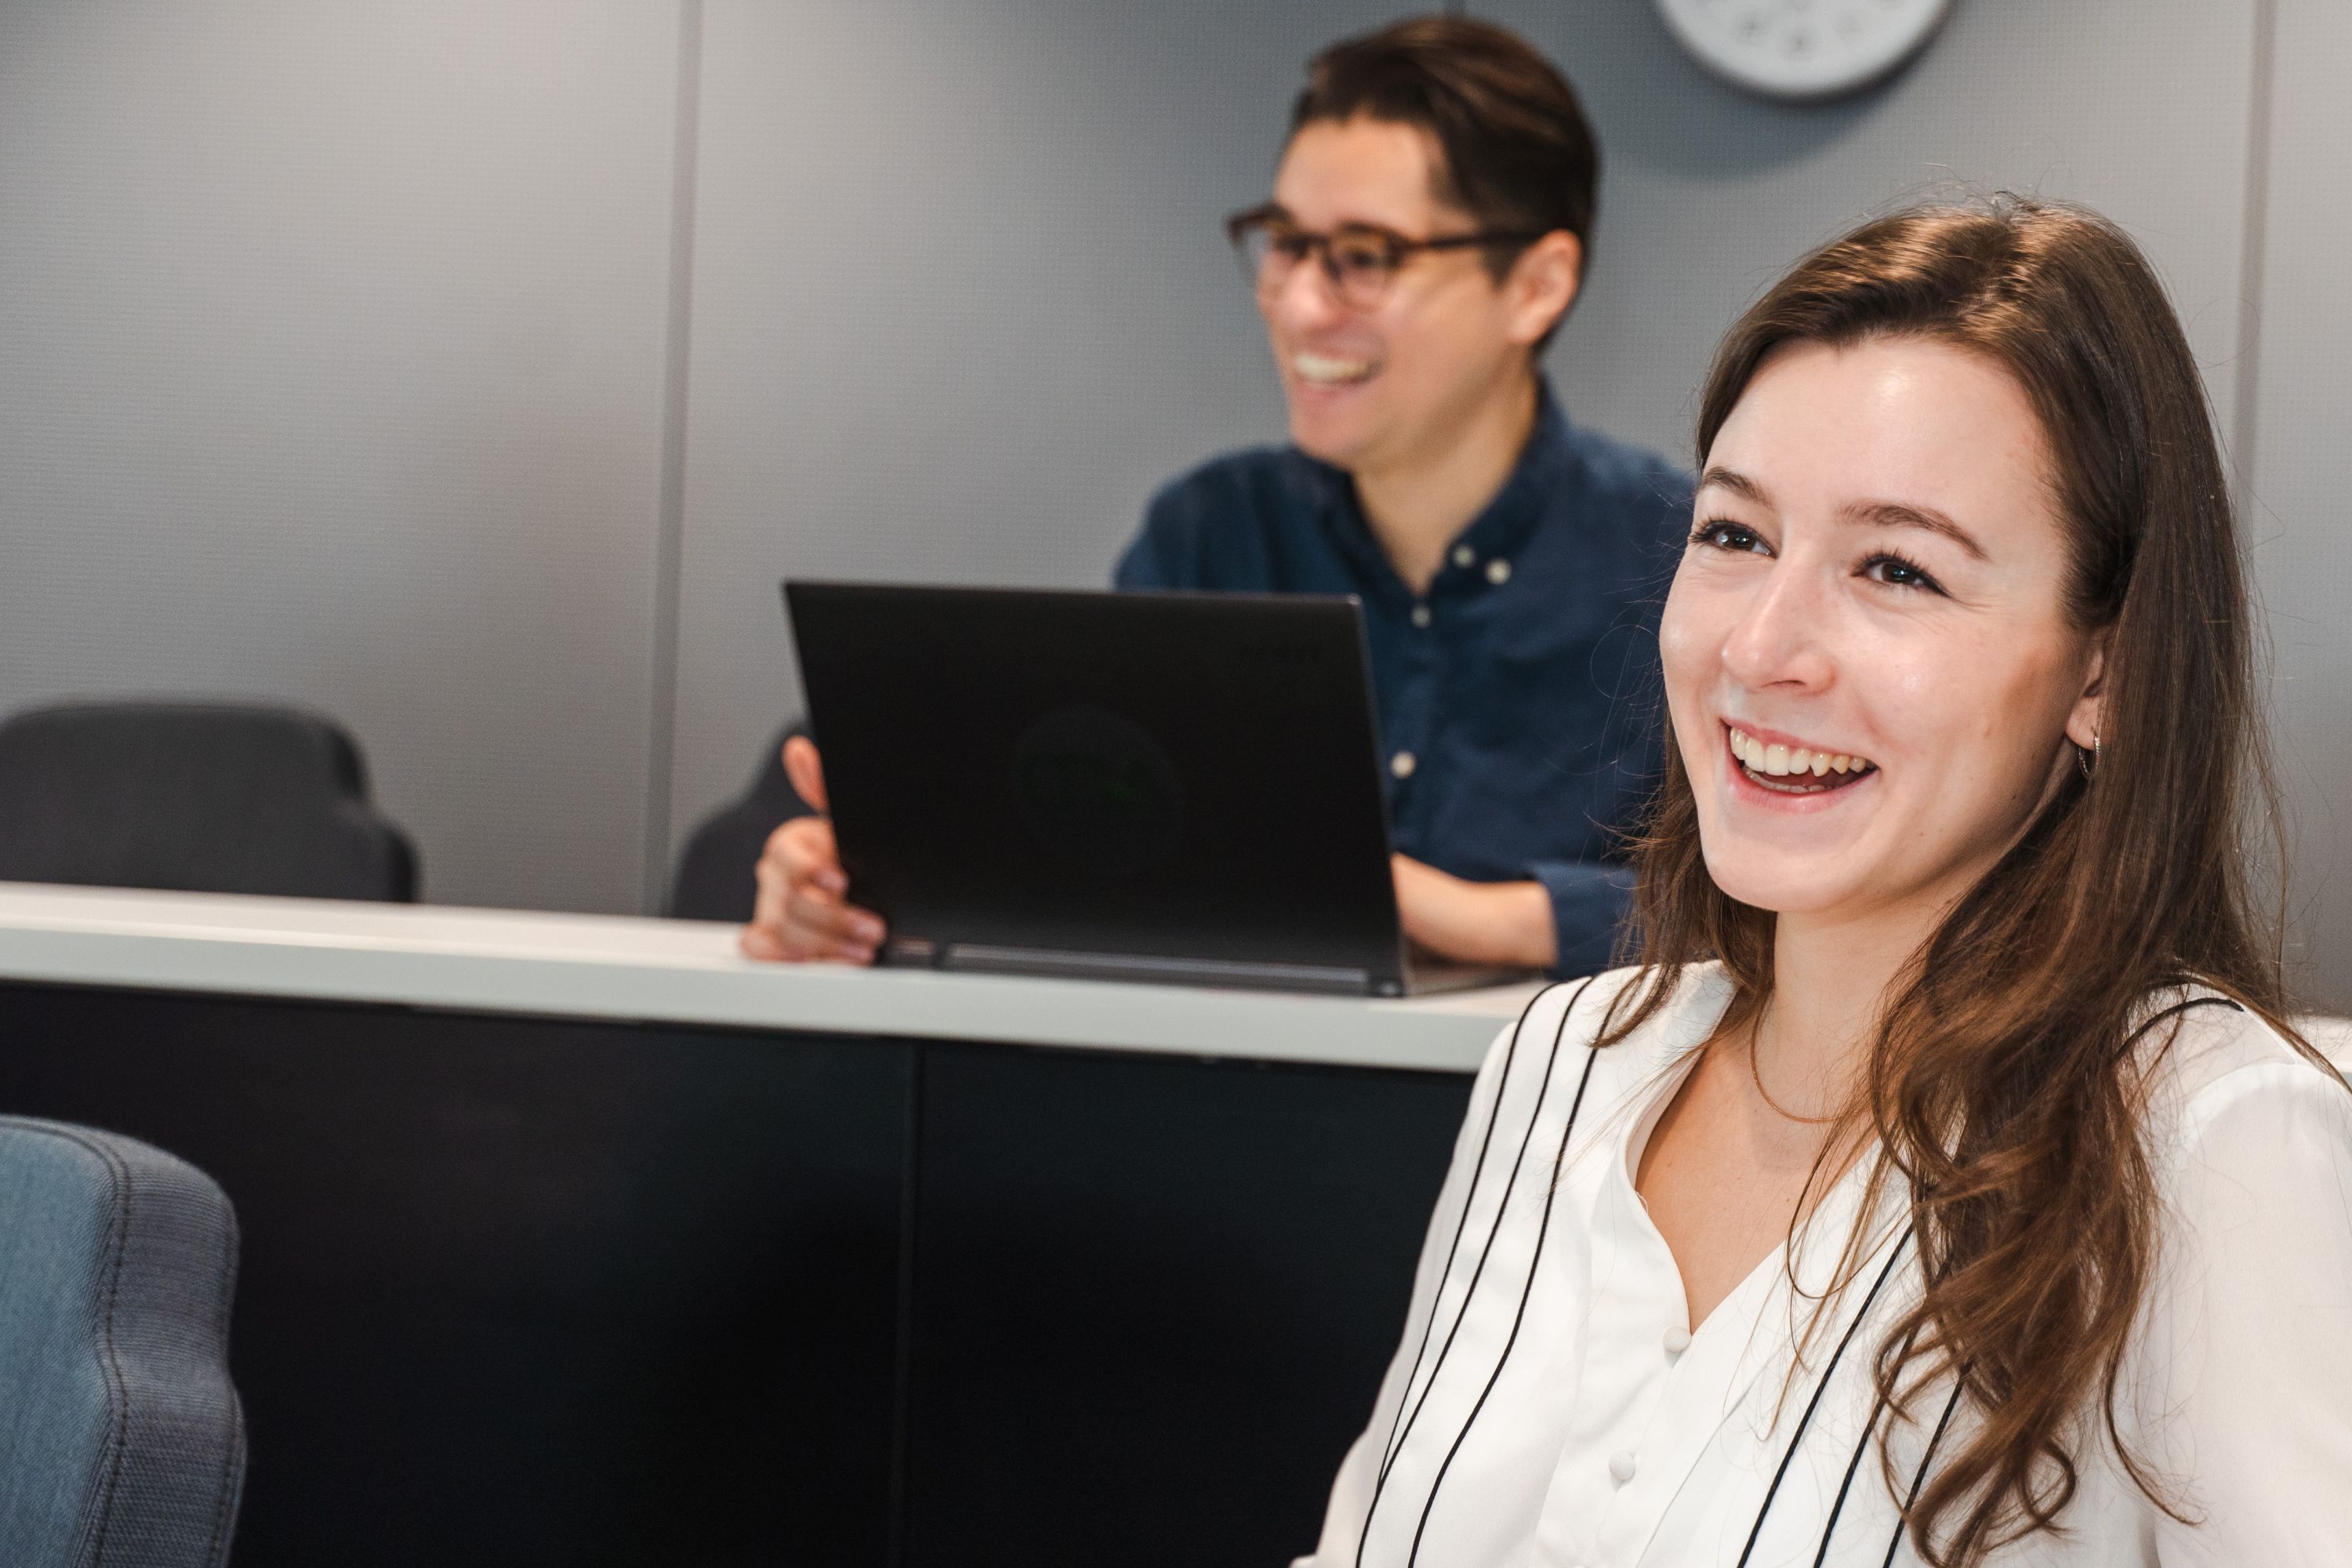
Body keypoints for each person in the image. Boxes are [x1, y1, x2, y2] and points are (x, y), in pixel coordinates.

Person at [1296, 198, 2352, 1566]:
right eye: (1733, 537)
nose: (1765, 646)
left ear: (2105, 672)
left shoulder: (2210, 1140)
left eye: (1896, 568)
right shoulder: (1566, 1062)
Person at [740, 17, 1691, 977]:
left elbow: (1775, 905)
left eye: (1364, 256)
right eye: (1285, 244)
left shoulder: (1683, 560)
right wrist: (865, 886)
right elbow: (1093, 856)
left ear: (1537, 283)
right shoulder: (1209, 534)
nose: (1299, 304)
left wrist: (1486, 917)